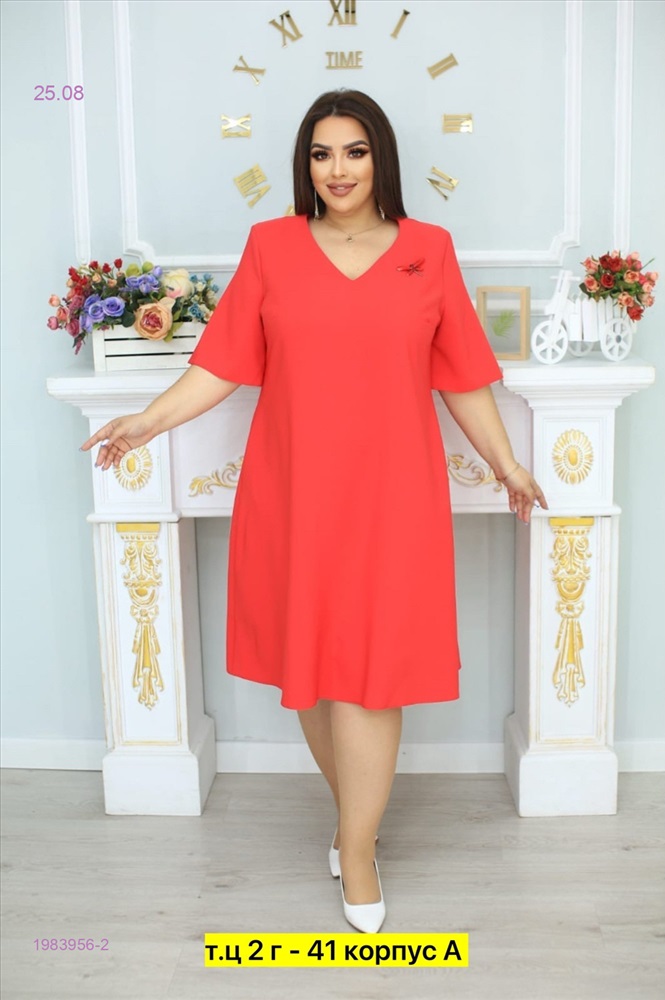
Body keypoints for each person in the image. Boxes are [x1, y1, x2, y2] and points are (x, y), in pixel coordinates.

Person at [81, 90, 548, 934]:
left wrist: (507, 464)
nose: (338, 170)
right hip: (292, 488)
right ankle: (353, 823)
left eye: (355, 151)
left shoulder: (429, 251)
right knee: (310, 676)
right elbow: (222, 362)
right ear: (305, 164)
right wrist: (147, 420)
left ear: (381, 159)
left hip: (392, 494)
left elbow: (461, 375)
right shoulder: (270, 246)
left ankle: (358, 852)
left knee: (370, 676)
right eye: (322, 153)